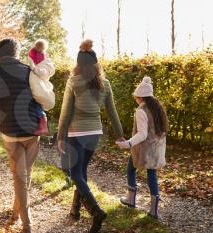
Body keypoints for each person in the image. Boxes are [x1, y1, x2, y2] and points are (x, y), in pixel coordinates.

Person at [57, 39, 124, 233]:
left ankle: (96, 212)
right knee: (81, 174)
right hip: (95, 133)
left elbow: (66, 112)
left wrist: (60, 136)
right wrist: (119, 135)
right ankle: (75, 210)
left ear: (78, 64)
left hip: (76, 133)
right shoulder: (105, 84)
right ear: (96, 65)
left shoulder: (73, 81)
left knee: (74, 173)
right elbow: (112, 112)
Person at [0, 39, 40, 233]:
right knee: (25, 174)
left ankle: (24, 222)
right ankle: (19, 216)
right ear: (17, 53)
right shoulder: (28, 71)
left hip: (9, 130)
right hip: (31, 129)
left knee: (19, 176)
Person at [116, 76, 168, 219]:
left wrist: (128, 143)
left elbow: (142, 134)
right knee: (152, 174)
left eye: (136, 97)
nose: (135, 99)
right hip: (157, 148)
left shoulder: (141, 111)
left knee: (130, 169)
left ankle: (131, 200)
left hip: (143, 149)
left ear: (140, 96)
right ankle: (154, 210)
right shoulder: (157, 108)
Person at [28, 39, 55, 135]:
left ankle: (43, 125)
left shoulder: (39, 54)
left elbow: (36, 67)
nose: (40, 50)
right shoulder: (37, 53)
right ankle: (42, 124)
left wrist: (35, 69)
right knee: (39, 97)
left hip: (38, 77)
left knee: (37, 97)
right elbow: (33, 64)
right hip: (39, 77)